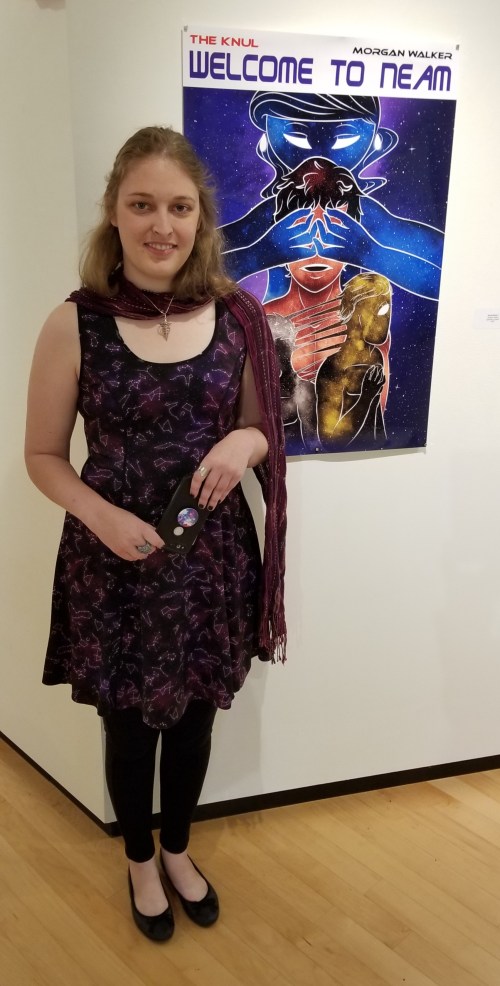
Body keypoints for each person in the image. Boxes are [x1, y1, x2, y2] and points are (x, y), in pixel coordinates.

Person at [25, 126, 287, 942]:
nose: (161, 225)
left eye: (178, 207)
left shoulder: (239, 317)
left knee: (199, 716)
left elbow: (262, 428)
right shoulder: (74, 324)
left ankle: (177, 848)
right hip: (116, 564)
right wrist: (101, 517)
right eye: (142, 205)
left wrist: (245, 443)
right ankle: (139, 859)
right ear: (114, 211)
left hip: (211, 559)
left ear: (200, 216)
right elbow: (42, 456)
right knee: (130, 725)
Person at [219, 91, 443, 302]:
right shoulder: (274, 211)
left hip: (349, 326)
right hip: (276, 325)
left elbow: (446, 274)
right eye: (296, 136)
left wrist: (366, 251)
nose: (320, 151)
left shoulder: (365, 214)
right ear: (267, 140)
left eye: (344, 138)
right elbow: (202, 268)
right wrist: (261, 253)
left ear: (376, 141)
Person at [263, 157, 391, 452]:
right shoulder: (265, 319)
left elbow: (373, 428)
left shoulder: (368, 317)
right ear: (279, 238)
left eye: (334, 232)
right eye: (301, 231)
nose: (316, 248)